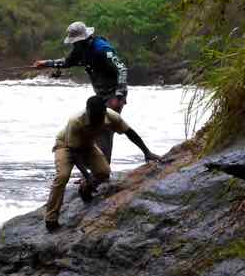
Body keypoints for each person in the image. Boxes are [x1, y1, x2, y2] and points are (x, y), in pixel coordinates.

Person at [45, 95, 159, 232]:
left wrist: (146, 152)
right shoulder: (75, 120)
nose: (95, 121)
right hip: (65, 146)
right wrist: (87, 176)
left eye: (98, 118)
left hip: (88, 146)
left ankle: (84, 189)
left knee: (104, 173)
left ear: (104, 112)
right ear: (87, 111)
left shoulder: (111, 116)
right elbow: (74, 154)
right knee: (62, 176)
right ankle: (51, 219)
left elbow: (130, 133)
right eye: (92, 117)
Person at [34, 21, 129, 160]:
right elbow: (67, 62)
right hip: (100, 96)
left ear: (86, 38)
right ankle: (97, 169)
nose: (74, 45)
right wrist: (46, 63)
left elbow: (122, 69)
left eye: (76, 42)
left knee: (104, 130)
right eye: (74, 42)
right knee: (92, 128)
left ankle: (102, 172)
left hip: (114, 94)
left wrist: (119, 95)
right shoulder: (80, 49)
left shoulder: (103, 49)